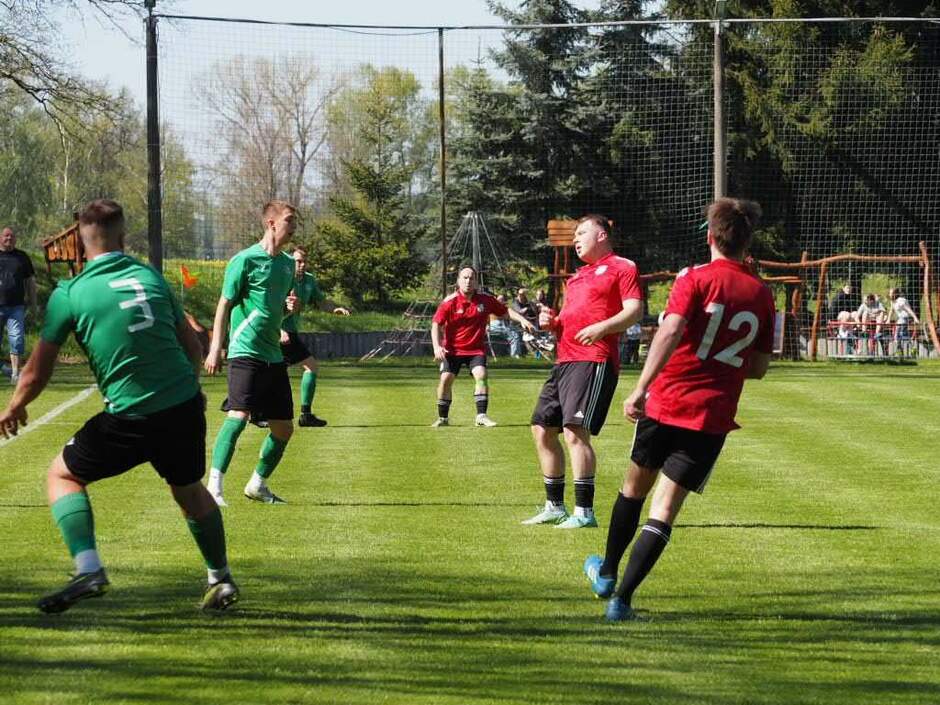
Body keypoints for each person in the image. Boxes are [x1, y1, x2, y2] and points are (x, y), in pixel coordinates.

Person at [0, 199, 237, 613]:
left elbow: (36, 371)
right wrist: (191, 387)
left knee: (63, 475)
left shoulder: (71, 293)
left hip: (130, 416)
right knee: (188, 489)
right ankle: (221, 580)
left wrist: (14, 406)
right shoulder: (150, 276)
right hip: (182, 406)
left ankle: (89, 569)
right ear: (123, 236)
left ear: (80, 242)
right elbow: (192, 345)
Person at [581, 197, 775, 621]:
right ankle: (622, 601)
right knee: (665, 509)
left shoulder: (694, 277)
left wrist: (640, 388)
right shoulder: (762, 294)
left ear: (710, 238)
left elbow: (669, 331)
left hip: (668, 401)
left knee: (633, 488)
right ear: (747, 242)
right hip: (712, 415)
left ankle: (607, 572)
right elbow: (759, 368)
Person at [524, 214, 643, 529]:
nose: (575, 239)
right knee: (541, 429)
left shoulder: (622, 266)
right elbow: (566, 319)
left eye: (581, 233)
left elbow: (634, 310)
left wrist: (603, 328)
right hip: (564, 361)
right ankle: (554, 507)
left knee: (574, 431)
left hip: (593, 359)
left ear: (602, 235)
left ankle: (584, 512)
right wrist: (552, 322)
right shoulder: (577, 277)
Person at [204, 200, 299, 506]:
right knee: (239, 415)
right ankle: (213, 488)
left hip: (273, 355)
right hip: (244, 350)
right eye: (289, 220)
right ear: (271, 223)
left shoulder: (287, 265)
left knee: (283, 428)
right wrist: (216, 348)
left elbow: (273, 309)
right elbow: (224, 304)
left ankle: (257, 485)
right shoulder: (244, 260)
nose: (294, 226)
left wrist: (288, 311)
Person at [431, 266, 535, 427]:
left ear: (476, 282)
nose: (468, 281)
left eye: (471, 278)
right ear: (458, 281)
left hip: (475, 350)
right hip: (452, 350)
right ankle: (443, 418)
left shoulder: (485, 300)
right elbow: (436, 324)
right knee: (446, 379)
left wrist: (522, 320)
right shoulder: (449, 302)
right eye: (465, 278)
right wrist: (437, 347)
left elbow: (505, 311)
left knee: (481, 375)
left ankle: (481, 416)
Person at [272, 245, 349, 428]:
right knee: (307, 367)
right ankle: (297, 415)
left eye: (304, 261)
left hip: (290, 332)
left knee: (273, 372)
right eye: (298, 261)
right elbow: (271, 305)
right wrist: (279, 330)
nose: (302, 265)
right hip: (278, 332)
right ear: (290, 261)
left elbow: (321, 301)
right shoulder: (283, 277)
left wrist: (334, 309)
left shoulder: (309, 280)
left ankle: (258, 410)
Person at [0, 227, 37, 384]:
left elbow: (30, 281)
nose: (9, 238)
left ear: (15, 239)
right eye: (6, 236)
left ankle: (15, 374)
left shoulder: (22, 257)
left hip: (16, 306)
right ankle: (4, 369)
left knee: (16, 339)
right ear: (0, 238)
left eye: (12, 236)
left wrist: (33, 303)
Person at [488, 294, 524, 358]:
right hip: (496, 326)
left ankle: (516, 353)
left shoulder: (503, 308)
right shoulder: (493, 306)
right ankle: (514, 355)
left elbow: (509, 317)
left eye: (502, 299)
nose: (500, 300)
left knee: (515, 331)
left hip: (501, 326)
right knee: (514, 336)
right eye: (499, 299)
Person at [887, 287, 919, 355]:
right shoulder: (893, 301)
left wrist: (915, 318)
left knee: (897, 335)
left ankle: (902, 350)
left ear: (895, 294)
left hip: (905, 318)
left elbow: (908, 310)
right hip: (900, 319)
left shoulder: (900, 301)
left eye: (890, 293)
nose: (889, 294)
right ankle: (907, 349)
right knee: (900, 335)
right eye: (889, 293)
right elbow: (891, 310)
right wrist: (888, 319)